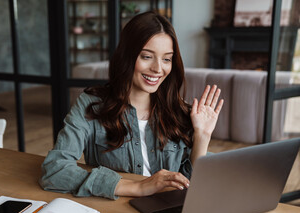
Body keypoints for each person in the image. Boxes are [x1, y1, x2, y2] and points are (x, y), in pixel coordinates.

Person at [40, 11, 223, 200]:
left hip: (165, 211)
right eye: (146, 56)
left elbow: (189, 184)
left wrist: (202, 136)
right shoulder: (92, 105)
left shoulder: (179, 110)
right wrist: (138, 188)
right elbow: (54, 171)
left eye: (167, 59)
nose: (158, 69)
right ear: (126, 55)